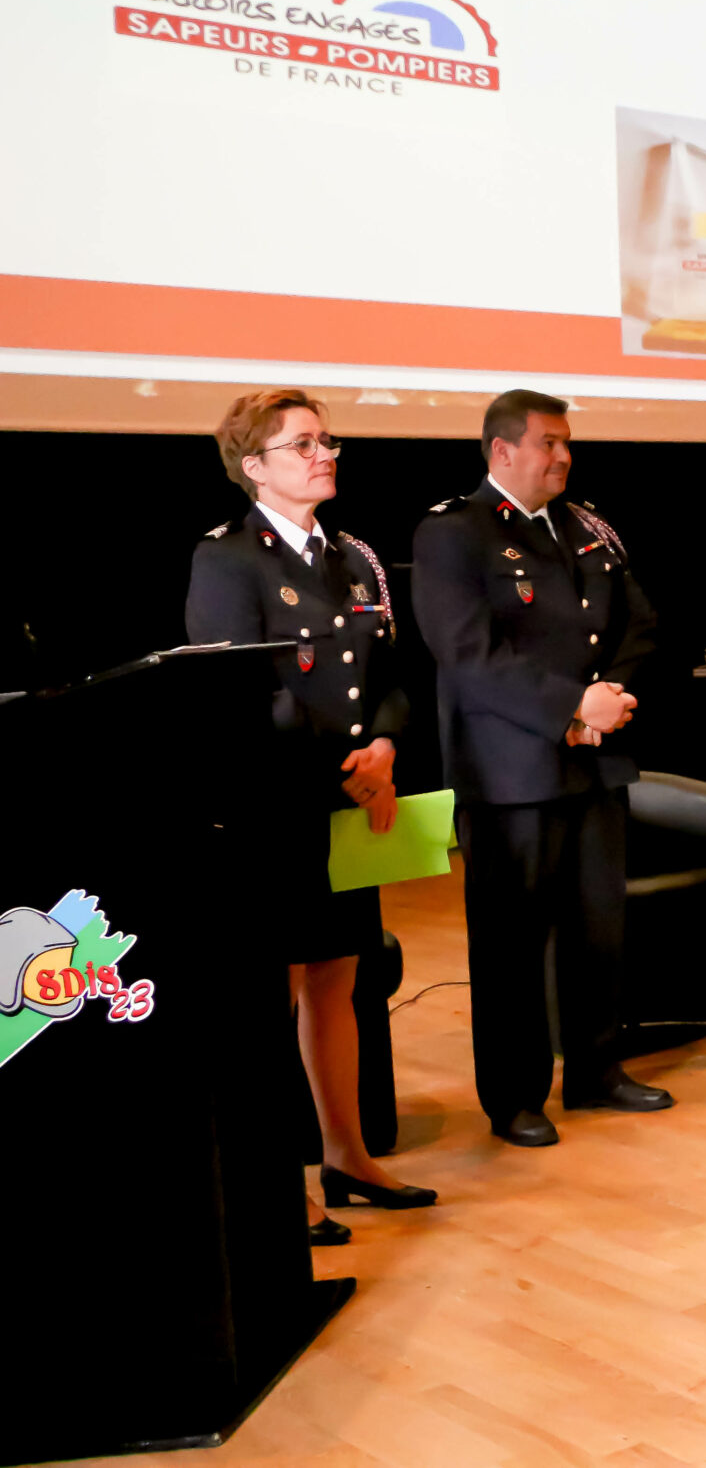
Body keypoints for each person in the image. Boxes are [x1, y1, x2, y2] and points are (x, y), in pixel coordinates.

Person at [186, 390, 437, 1244]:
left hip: (352, 802)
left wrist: (387, 748)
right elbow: (238, 694)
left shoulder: (353, 556)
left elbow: (391, 676)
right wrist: (346, 767)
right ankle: (279, 1185)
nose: (323, 453)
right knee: (278, 991)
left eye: (326, 439)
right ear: (255, 466)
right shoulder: (227, 559)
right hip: (275, 807)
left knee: (340, 979)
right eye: (301, 443)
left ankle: (347, 1156)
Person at [412, 390, 669, 1146]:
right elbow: (469, 655)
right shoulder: (453, 533)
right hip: (509, 773)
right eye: (547, 442)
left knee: (598, 930)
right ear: (502, 450)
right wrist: (571, 708)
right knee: (511, 944)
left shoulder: (584, 526)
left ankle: (596, 1070)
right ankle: (515, 1095)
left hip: (596, 762)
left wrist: (610, 699)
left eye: (566, 442)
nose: (563, 456)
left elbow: (639, 623)